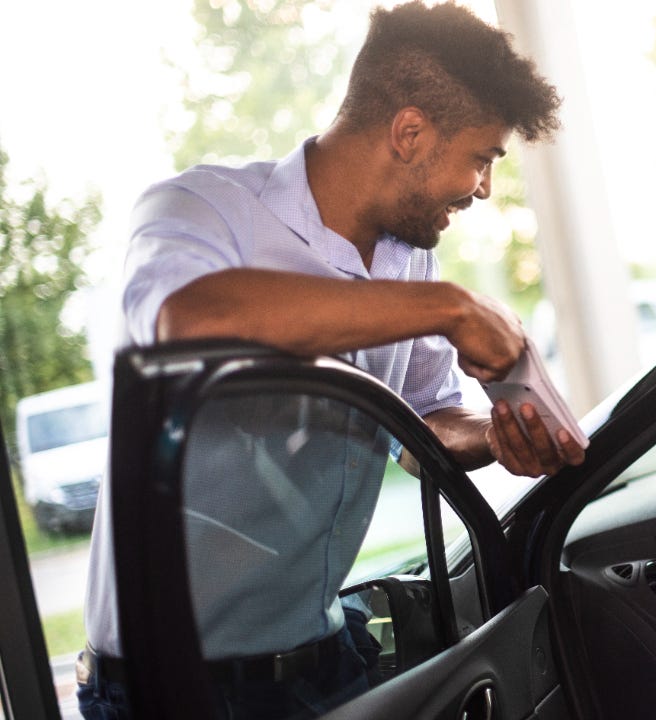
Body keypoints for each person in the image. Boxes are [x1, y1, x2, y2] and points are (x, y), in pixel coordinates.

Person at [77, 2, 584, 718]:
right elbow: (187, 321)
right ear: (409, 132)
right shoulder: (200, 208)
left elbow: (423, 424)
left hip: (324, 659)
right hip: (171, 689)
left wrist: (492, 436)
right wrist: (452, 308)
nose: (482, 189)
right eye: (481, 159)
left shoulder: (407, 259)